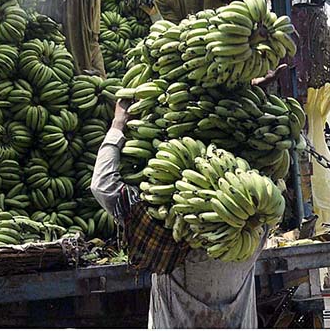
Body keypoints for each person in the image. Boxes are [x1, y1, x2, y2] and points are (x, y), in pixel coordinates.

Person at [90, 101, 267, 328]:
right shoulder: (254, 232)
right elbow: (267, 170)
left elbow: (103, 186)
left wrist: (118, 125)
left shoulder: (163, 231)